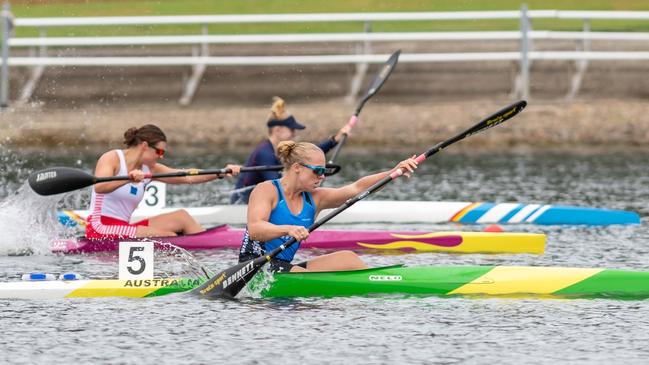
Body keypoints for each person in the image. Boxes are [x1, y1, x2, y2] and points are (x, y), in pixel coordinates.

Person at [238, 140, 418, 273]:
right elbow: (255, 229)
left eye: (324, 171)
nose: (322, 176)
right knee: (303, 278)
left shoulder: (315, 199)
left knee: (349, 259)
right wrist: (289, 229)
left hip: (284, 268)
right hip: (255, 267)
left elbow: (356, 188)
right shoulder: (267, 190)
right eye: (318, 171)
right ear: (297, 167)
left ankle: (376, 288)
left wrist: (394, 172)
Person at [86, 124, 241, 239]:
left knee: (182, 217)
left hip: (123, 228)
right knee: (167, 236)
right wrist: (128, 179)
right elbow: (99, 187)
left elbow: (187, 176)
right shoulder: (112, 158)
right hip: (100, 228)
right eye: (159, 151)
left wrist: (221, 172)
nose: (161, 156)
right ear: (144, 146)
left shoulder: (150, 169)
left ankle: (209, 251)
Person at [230, 97, 351, 204]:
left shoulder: (284, 150)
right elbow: (277, 186)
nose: (294, 134)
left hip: (262, 200)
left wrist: (335, 139)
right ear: (278, 130)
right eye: (292, 130)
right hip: (242, 203)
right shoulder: (264, 153)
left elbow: (307, 156)